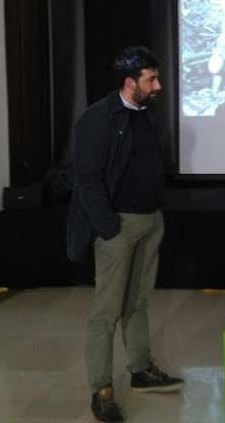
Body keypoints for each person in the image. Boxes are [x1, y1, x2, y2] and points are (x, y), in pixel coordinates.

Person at [66, 46, 184, 423]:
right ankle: (101, 390)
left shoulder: (144, 113)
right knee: (106, 312)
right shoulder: (97, 119)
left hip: (150, 222)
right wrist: (109, 228)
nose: (158, 86)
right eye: (152, 79)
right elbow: (87, 179)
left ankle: (141, 369)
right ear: (130, 82)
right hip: (119, 228)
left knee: (138, 301)